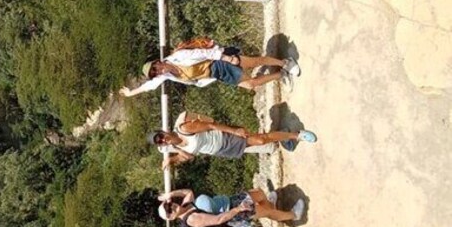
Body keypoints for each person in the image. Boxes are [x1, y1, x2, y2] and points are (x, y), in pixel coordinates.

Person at [118, 38, 299, 96]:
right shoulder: (167, 75)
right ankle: (281, 75)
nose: (158, 72)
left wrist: (227, 58)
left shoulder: (178, 57)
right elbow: (150, 86)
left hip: (218, 62)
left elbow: (203, 53)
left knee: (255, 62)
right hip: (216, 74)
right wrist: (131, 93)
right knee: (251, 85)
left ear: (158, 62)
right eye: (155, 73)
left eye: (155, 68)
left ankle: (285, 63)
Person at [148, 110, 317, 168]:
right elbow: (189, 157)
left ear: (163, 131)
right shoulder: (179, 148)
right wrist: (171, 158)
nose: (163, 140)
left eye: (161, 136)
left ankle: (297, 135)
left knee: (261, 140)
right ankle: (285, 135)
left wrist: (234, 130)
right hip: (222, 150)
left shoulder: (184, 129)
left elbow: (211, 125)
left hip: (225, 137)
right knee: (261, 140)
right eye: (160, 142)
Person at [157, 188, 306, 227]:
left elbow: (188, 192)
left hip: (230, 202)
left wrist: (170, 194)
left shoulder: (185, 206)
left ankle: (273, 208)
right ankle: (293, 215)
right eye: (169, 211)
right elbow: (218, 220)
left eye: (168, 204)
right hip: (234, 212)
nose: (171, 207)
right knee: (265, 211)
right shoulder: (192, 219)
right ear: (171, 218)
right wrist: (238, 209)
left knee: (259, 194)